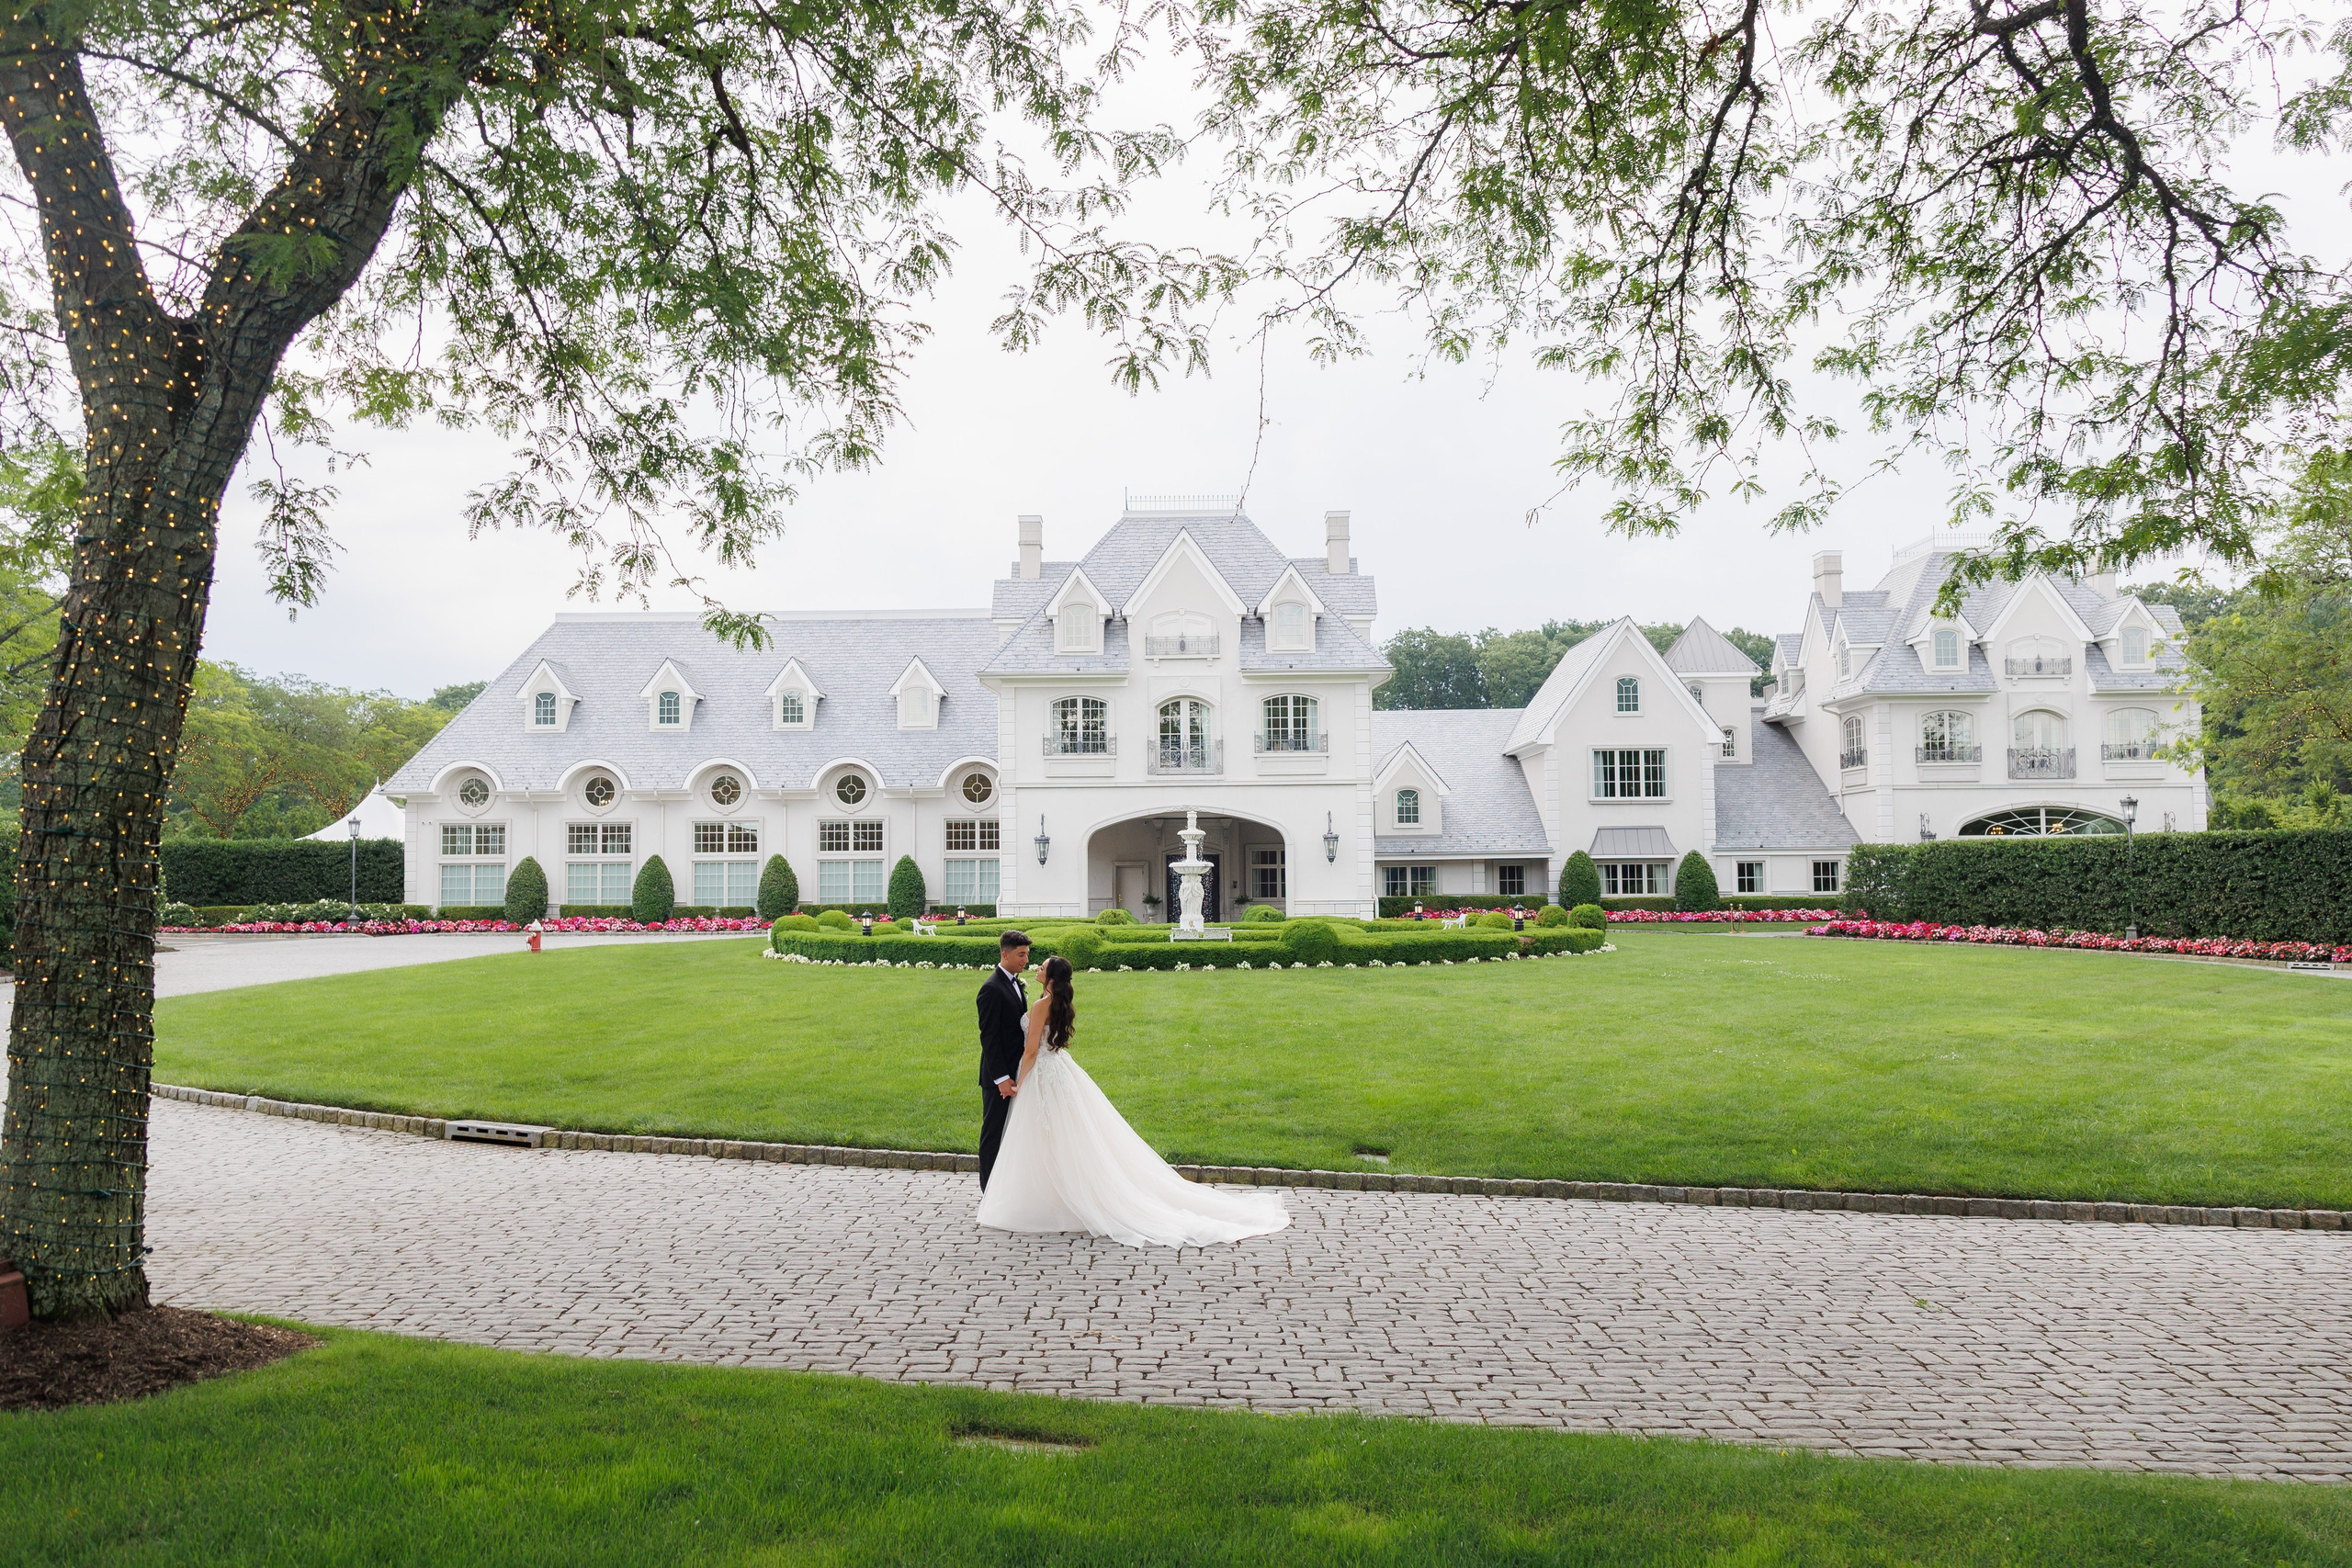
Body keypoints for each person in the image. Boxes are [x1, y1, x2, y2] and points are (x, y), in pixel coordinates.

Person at [977, 953, 1291, 1247]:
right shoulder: (1055, 1002)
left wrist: (1019, 1080)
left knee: (1046, 1136)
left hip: (1041, 1073)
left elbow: (1031, 1051)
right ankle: (1056, 1196)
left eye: (1042, 967)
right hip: (1058, 1069)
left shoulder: (1041, 1005)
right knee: (1062, 1135)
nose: (1036, 968)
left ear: (1050, 979)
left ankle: (1053, 1198)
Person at [974, 929, 1033, 1189]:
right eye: (1021, 955)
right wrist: (1002, 1078)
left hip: (1017, 1070)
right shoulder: (991, 989)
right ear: (1005, 954)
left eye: (1027, 955)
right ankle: (988, 1191)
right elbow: (989, 1038)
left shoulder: (1017, 984)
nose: (1026, 960)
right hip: (999, 1078)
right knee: (993, 1134)